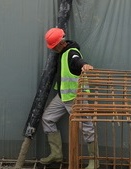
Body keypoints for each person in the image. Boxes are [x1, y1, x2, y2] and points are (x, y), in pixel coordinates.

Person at [40, 27, 98, 169]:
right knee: (47, 118)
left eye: (53, 47)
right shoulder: (63, 52)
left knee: (86, 127)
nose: (52, 50)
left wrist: (84, 65)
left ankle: (94, 161)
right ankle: (57, 154)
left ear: (60, 44)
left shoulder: (71, 52)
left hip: (75, 98)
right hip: (63, 96)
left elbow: (77, 61)